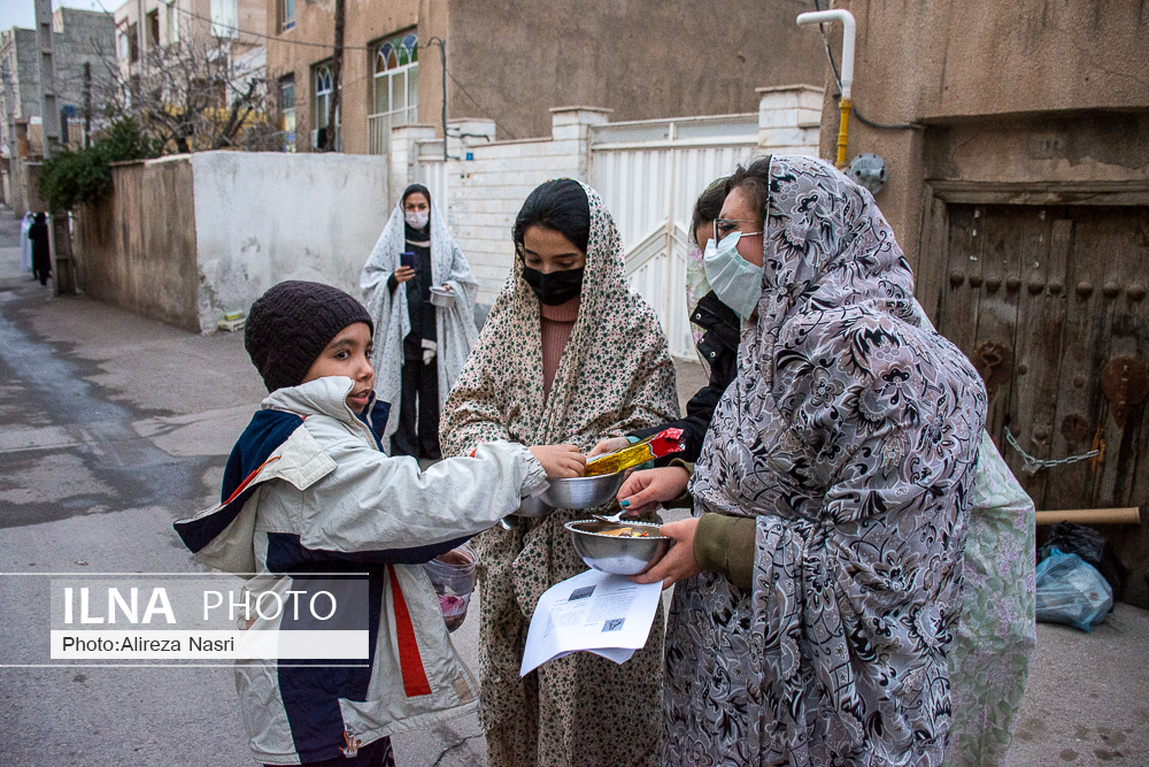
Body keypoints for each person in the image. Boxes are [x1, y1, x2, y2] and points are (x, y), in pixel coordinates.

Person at [616, 155, 989, 765]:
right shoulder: (776, 334)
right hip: (735, 678)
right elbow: (759, 461)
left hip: (814, 707)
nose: (717, 255)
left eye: (735, 234)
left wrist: (714, 543)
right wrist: (683, 477)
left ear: (799, 234)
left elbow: (877, 572)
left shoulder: (880, 363)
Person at [173, 280, 583, 767]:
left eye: (366, 350)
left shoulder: (310, 428)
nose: (365, 368)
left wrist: (418, 551)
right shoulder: (314, 453)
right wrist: (521, 464)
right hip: (313, 689)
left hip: (337, 673)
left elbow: (357, 527)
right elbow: (413, 503)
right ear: (292, 369)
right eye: (341, 354)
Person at [439, 179, 680, 767]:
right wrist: (524, 461)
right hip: (513, 553)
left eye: (565, 263)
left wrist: (626, 446)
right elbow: (464, 416)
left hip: (598, 562)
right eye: (533, 261)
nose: (547, 275)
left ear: (594, 258)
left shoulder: (634, 330)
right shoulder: (508, 320)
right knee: (515, 712)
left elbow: (667, 437)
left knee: (600, 721)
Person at [590, 177, 738, 464]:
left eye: (730, 253)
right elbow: (706, 427)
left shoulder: (827, 342)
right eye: (710, 259)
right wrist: (636, 448)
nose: (721, 270)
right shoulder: (730, 327)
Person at [361, 184, 479, 459]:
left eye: (421, 207)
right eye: (410, 207)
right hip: (402, 335)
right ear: (402, 210)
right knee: (402, 397)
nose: (416, 213)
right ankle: (404, 450)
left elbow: (466, 279)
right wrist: (391, 280)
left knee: (433, 394)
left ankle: (432, 445)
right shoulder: (391, 242)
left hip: (435, 331)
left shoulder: (444, 243)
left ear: (430, 208)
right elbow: (370, 279)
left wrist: (451, 287)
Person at [29, 213, 51, 286]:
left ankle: (39, 276)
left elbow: (30, 236)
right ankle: (45, 276)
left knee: (38, 262)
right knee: (45, 262)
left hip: (36, 246)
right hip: (45, 247)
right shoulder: (45, 226)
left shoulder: (34, 226)